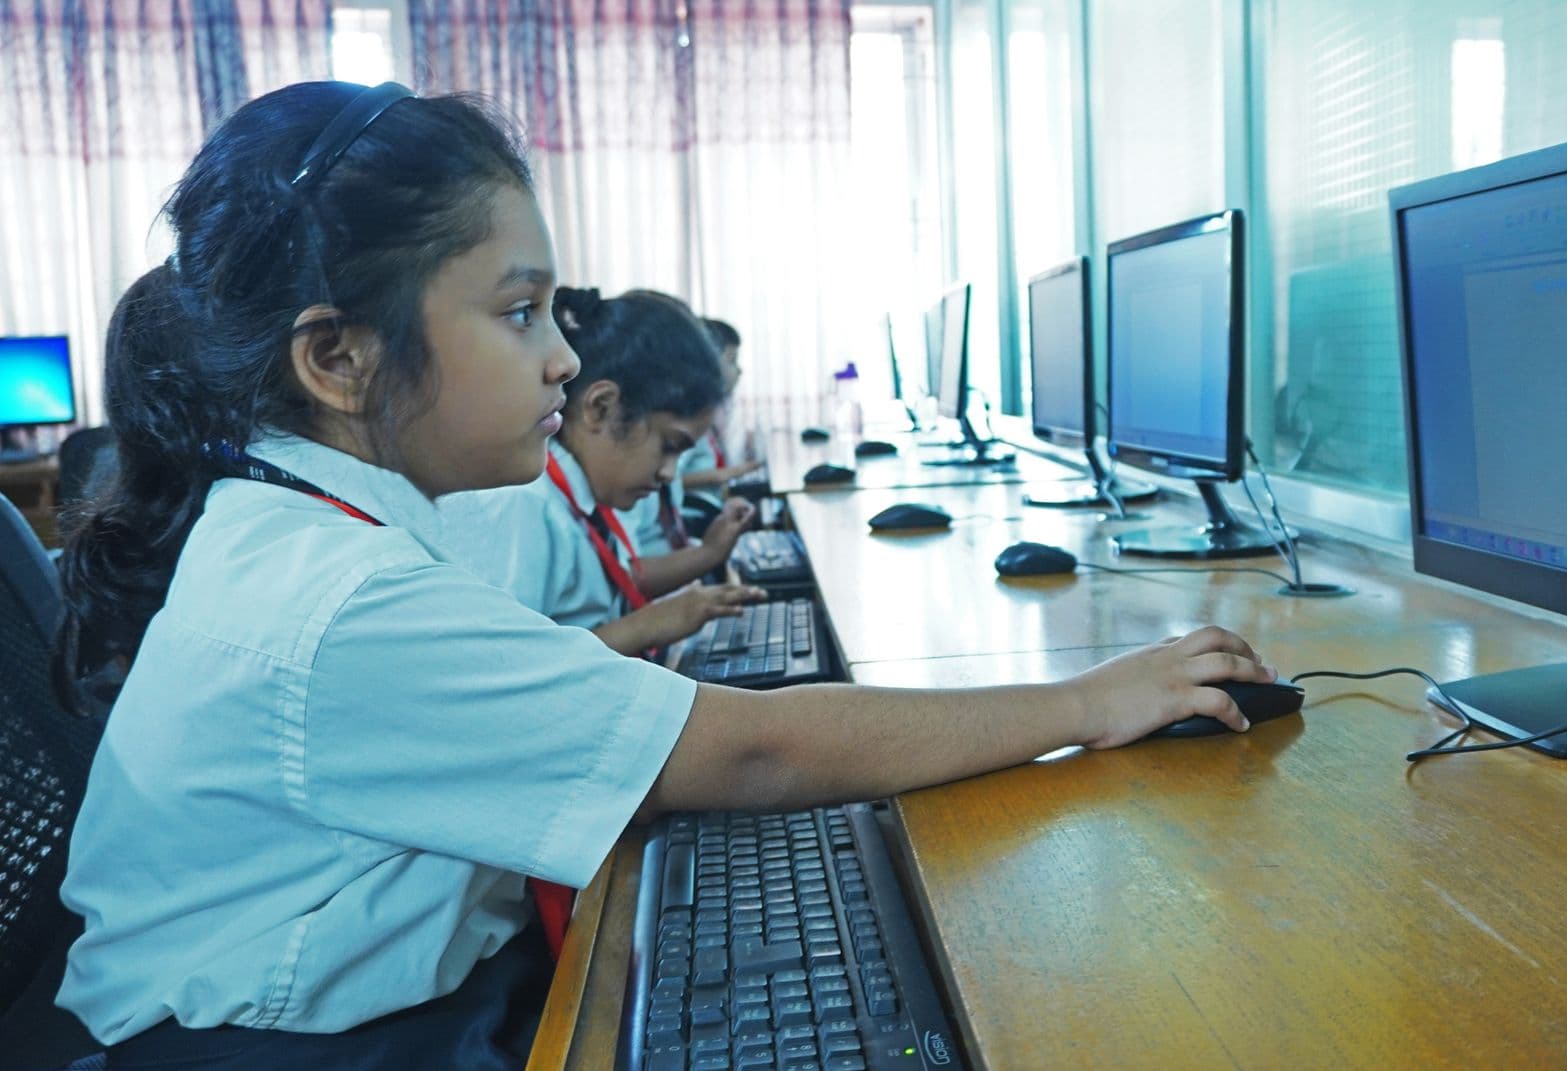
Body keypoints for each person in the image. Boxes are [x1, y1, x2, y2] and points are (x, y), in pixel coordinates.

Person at [53, 80, 1274, 1069]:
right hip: (278, 1051)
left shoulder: (312, 534)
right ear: (339, 358)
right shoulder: (336, 598)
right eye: (521, 312)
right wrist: (1091, 701)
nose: (563, 356)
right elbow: (752, 750)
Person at [436, 287, 764, 656]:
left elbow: (616, 583)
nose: (670, 474)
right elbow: (509, 666)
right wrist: (646, 626)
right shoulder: (523, 503)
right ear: (602, 408)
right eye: (669, 446)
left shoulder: (589, 492)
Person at [678, 316, 765, 494]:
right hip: (698, 513)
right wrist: (727, 474)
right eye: (732, 360)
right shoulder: (687, 417)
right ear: (708, 363)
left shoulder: (711, 410)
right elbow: (669, 480)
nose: (739, 370)